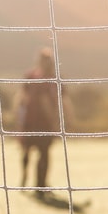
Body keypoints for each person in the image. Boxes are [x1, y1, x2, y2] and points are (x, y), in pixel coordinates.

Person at [17, 48, 65, 196]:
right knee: (35, 152)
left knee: (39, 152)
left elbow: (63, 99)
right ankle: (35, 183)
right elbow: (25, 98)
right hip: (37, 122)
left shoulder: (52, 78)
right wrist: (55, 122)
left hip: (35, 122)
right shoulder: (35, 77)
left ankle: (38, 183)